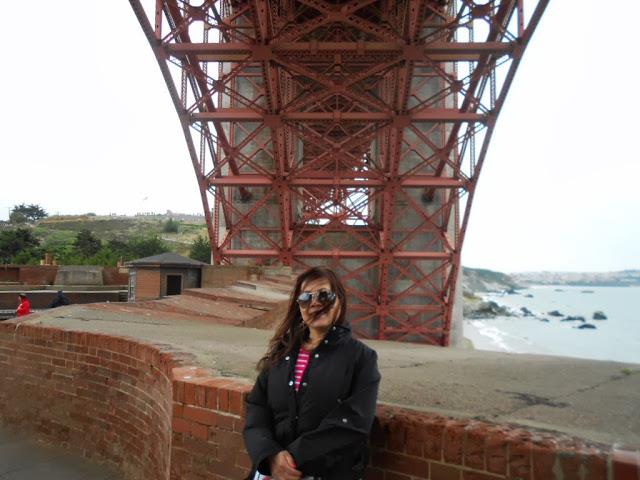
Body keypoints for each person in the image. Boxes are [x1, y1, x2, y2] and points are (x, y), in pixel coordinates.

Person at [243, 267, 381, 480]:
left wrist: (290, 459)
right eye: (305, 298)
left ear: (340, 300)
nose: (314, 303)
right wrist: (269, 455)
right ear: (298, 307)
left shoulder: (362, 358)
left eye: (324, 295)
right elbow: (257, 408)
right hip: (272, 472)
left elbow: (354, 421)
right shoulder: (281, 354)